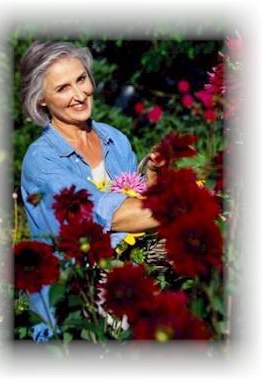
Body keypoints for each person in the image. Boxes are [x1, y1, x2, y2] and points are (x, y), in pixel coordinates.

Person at [19, 41, 163, 341]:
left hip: (126, 304)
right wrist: (186, 207)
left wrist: (154, 180)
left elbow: (135, 210)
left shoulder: (114, 139)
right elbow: (107, 215)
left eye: (81, 79)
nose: (79, 94)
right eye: (63, 88)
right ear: (41, 100)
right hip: (74, 320)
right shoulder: (41, 161)